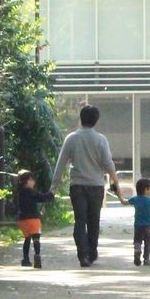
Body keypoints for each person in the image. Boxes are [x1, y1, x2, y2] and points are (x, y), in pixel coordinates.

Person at [52, 104, 121, 266]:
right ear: (96, 121)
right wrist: (115, 182)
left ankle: (83, 255)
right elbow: (108, 164)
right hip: (96, 186)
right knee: (93, 221)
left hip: (77, 186)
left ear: (80, 118)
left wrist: (53, 187)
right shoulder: (101, 139)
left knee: (80, 220)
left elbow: (60, 164)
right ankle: (92, 252)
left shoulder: (72, 138)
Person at [15, 170, 55, 269]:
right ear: (27, 181)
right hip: (33, 219)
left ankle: (25, 259)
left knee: (27, 239)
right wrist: (51, 194)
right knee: (36, 239)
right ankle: (37, 256)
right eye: (32, 180)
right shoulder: (30, 192)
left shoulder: (19, 192)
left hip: (23, 220)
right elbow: (41, 197)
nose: (34, 182)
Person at [118, 177, 150, 266]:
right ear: (146, 189)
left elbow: (123, 202)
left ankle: (137, 250)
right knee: (148, 243)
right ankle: (146, 259)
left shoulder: (135, 199)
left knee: (137, 241)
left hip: (138, 226)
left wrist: (118, 195)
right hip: (149, 226)